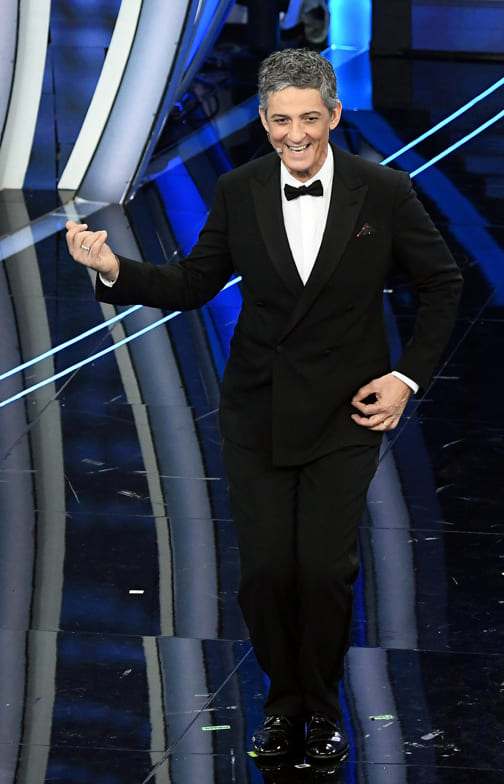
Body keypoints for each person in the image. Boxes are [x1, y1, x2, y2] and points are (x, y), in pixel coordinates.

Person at [66, 48, 462, 766]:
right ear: (263, 118)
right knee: (266, 574)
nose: (296, 135)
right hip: (257, 409)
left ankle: (321, 707)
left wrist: (406, 378)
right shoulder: (241, 189)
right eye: (281, 121)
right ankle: (285, 703)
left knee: (325, 570)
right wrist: (116, 269)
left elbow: (443, 284)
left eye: (309, 118)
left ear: (333, 115)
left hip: (347, 411)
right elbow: (194, 283)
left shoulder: (383, 191)